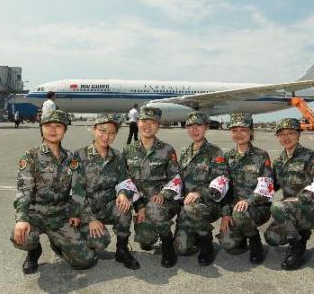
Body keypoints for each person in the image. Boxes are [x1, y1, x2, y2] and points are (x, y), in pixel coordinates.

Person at [10, 110, 97, 274]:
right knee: (22, 238)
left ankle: (57, 242)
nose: (52, 129)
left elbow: (78, 190)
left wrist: (75, 213)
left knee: (85, 261)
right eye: (48, 125)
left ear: (64, 130)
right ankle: (34, 251)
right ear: (41, 128)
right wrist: (21, 218)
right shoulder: (31, 156)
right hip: (36, 212)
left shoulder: (72, 158)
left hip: (61, 214)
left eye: (58, 126)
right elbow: (24, 189)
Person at [72, 114, 142, 270]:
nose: (106, 136)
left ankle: (122, 250)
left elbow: (125, 181)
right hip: (86, 210)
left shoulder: (117, 156)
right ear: (94, 130)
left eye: (111, 133)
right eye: (102, 131)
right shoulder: (79, 155)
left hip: (107, 206)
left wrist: (123, 193)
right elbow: (76, 192)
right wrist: (90, 219)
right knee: (99, 241)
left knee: (124, 207)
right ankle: (71, 242)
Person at [264, 118, 314, 270]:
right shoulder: (279, 160)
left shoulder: (311, 156)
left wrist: (304, 196)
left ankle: (297, 246)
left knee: (277, 207)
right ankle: (302, 231)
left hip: (313, 208)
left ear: (299, 134)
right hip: (289, 208)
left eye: (291, 133)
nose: (286, 137)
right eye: (281, 134)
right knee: (271, 238)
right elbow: (271, 186)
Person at [123, 106, 180, 268]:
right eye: (144, 121)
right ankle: (149, 231)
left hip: (164, 202)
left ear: (158, 125)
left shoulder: (167, 150)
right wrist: (139, 206)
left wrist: (164, 194)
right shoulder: (128, 151)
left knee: (154, 207)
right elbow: (126, 182)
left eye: (152, 122)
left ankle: (168, 244)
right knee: (145, 240)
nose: (147, 125)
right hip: (142, 204)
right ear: (138, 123)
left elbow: (176, 179)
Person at [174, 111, 229, 266]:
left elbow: (222, 182)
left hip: (208, 204)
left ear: (206, 128)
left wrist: (199, 192)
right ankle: (195, 232)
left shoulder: (215, 152)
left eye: (199, 125)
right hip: (187, 206)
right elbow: (179, 180)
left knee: (192, 208)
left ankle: (206, 242)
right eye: (190, 126)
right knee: (181, 248)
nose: (194, 129)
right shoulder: (185, 152)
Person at [217, 113, 273, 264]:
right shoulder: (227, 156)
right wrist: (225, 214)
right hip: (235, 210)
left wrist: (248, 201)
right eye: (235, 130)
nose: (239, 134)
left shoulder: (261, 156)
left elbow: (266, 188)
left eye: (243, 130)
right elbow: (224, 189)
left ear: (251, 132)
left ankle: (255, 242)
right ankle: (241, 234)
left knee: (240, 212)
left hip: (258, 208)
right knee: (228, 243)